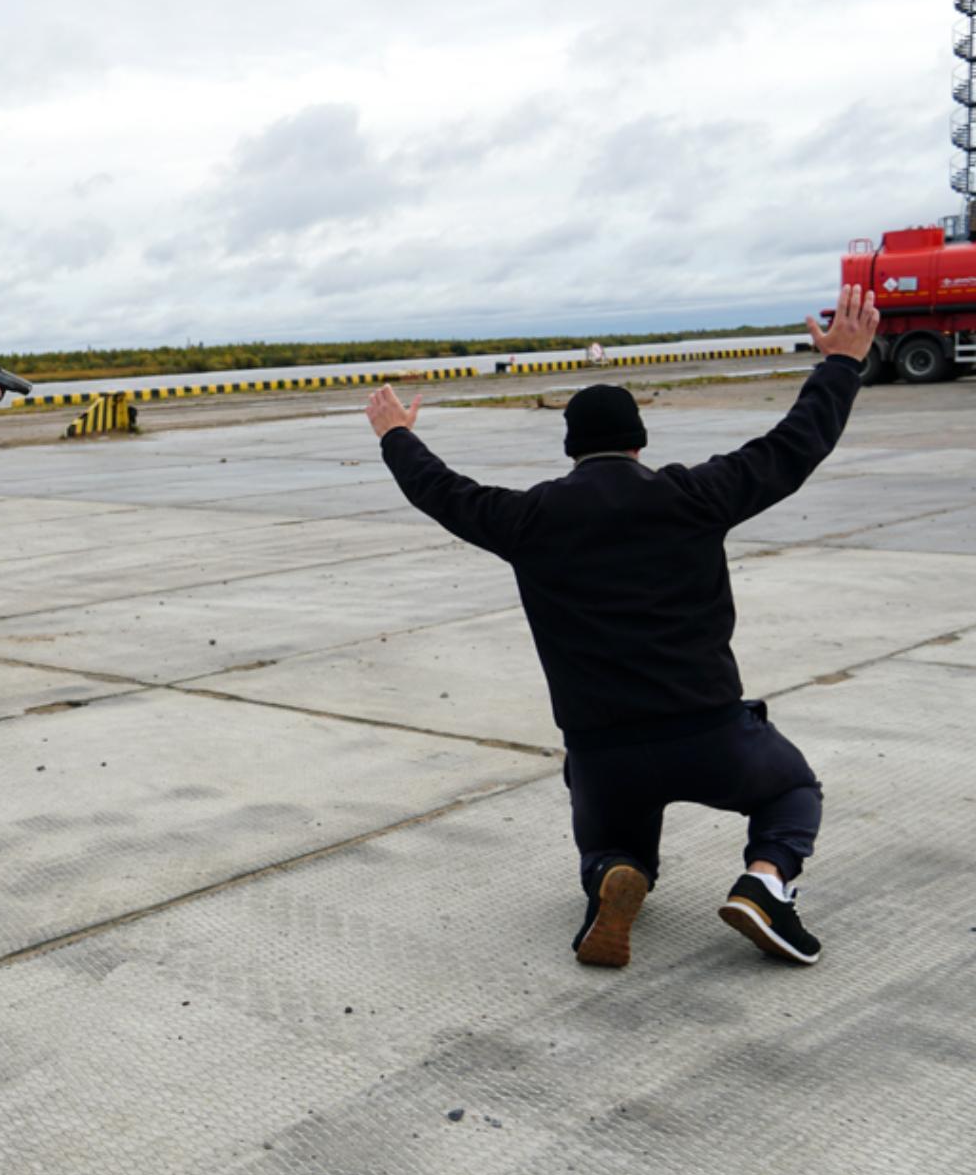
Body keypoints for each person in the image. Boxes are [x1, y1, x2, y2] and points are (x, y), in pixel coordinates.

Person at [364, 286, 880, 969]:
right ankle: (765, 882)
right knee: (791, 789)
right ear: (639, 441)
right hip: (710, 733)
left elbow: (441, 490)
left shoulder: (529, 518)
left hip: (603, 751)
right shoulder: (692, 496)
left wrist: (396, 434)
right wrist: (841, 364)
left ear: (572, 449)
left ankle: (612, 872)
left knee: (614, 843)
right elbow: (791, 447)